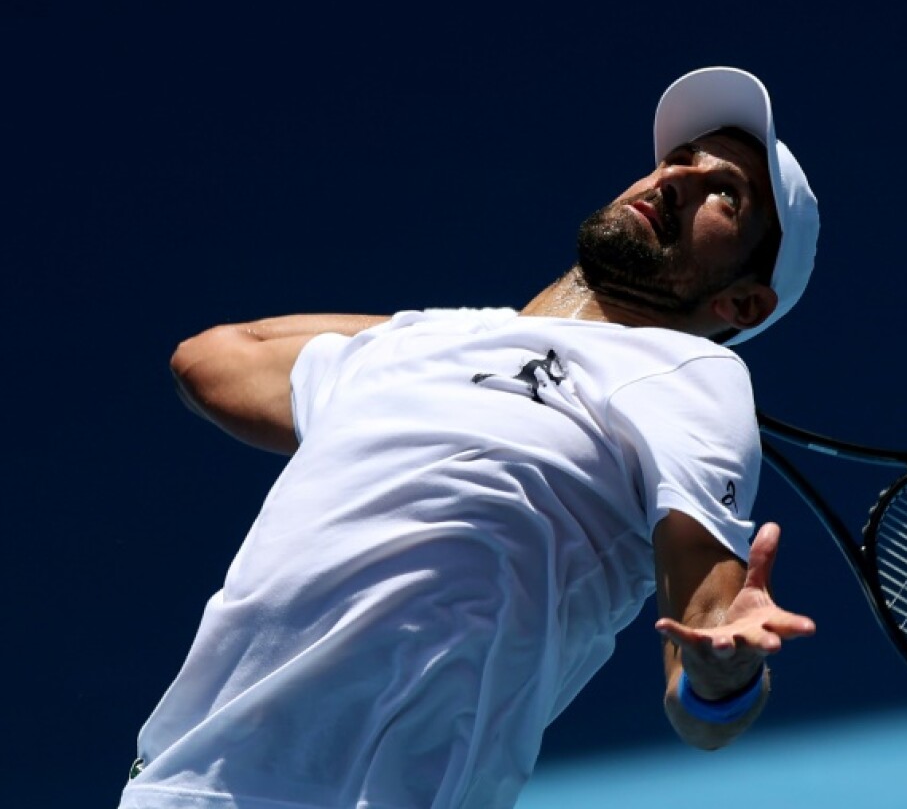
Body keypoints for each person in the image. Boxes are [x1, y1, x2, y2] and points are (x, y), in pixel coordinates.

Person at [120, 66, 822, 809]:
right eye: (681, 157)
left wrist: (726, 676)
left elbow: (702, 668)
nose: (679, 178)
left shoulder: (692, 374)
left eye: (726, 194)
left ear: (742, 301)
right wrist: (474, 338)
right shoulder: (423, 345)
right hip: (185, 783)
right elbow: (211, 356)